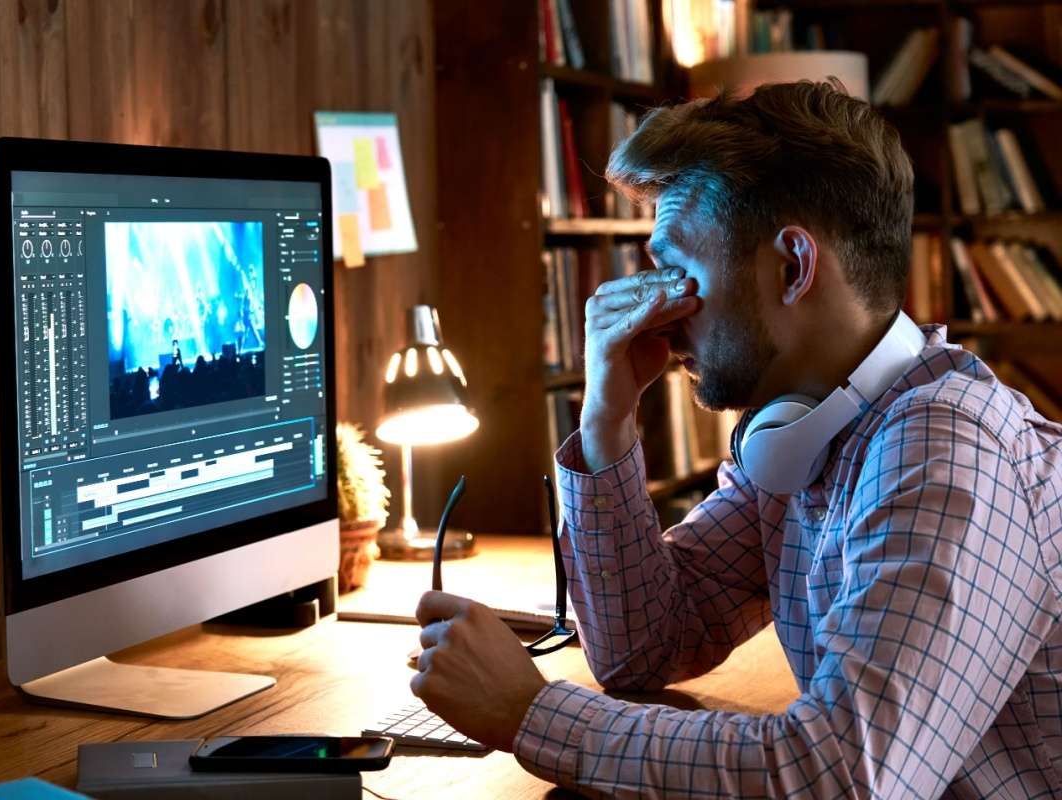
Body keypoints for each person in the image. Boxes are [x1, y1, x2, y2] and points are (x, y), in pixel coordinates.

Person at [411, 80, 1062, 797]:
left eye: (679, 271)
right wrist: (606, 417)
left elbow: (837, 777)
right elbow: (643, 648)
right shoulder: (802, 433)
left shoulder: (944, 450)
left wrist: (527, 712)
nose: (656, 312)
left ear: (792, 266)